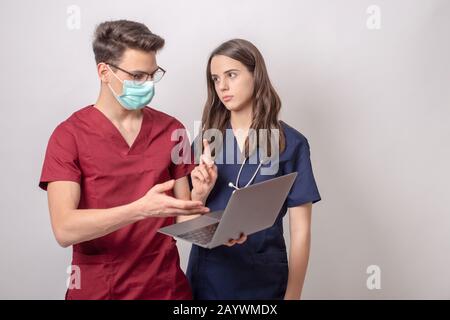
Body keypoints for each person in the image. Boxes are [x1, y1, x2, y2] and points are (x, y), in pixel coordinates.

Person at [38, 20, 242, 300]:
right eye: (137, 76)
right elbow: (64, 229)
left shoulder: (173, 130)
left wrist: (219, 230)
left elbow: (183, 216)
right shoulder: (68, 136)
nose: (147, 84)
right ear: (104, 72)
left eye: (152, 74)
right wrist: (140, 209)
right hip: (101, 290)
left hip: (167, 289)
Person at [186, 39, 321, 299]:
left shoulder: (290, 144)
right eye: (215, 79)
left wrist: (293, 296)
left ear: (255, 75)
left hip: (264, 279)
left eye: (231, 75)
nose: (222, 86)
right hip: (209, 278)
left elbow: (301, 231)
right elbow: (188, 224)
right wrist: (199, 196)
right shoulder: (206, 143)